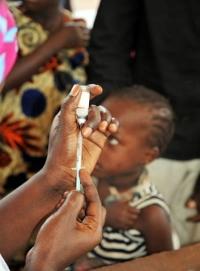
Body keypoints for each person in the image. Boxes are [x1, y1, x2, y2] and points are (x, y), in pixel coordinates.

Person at [0, 3, 119, 270]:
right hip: (12, 149)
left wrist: (56, 174)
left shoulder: (75, 28)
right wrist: (43, 263)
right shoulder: (11, 23)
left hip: (45, 150)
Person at [88, 0, 200, 246]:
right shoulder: (111, 164)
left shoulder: (151, 212)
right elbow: (109, 44)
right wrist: (112, 127)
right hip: (141, 134)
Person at [73, 85, 176, 270]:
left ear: (148, 156)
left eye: (112, 140)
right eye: (95, 129)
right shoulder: (86, 179)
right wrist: (103, 216)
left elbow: (165, 266)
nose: (95, 143)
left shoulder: (149, 212)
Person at [0, 0, 89, 194]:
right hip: (8, 148)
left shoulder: (76, 28)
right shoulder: (8, 21)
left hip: (52, 149)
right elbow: (4, 80)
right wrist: (57, 42)